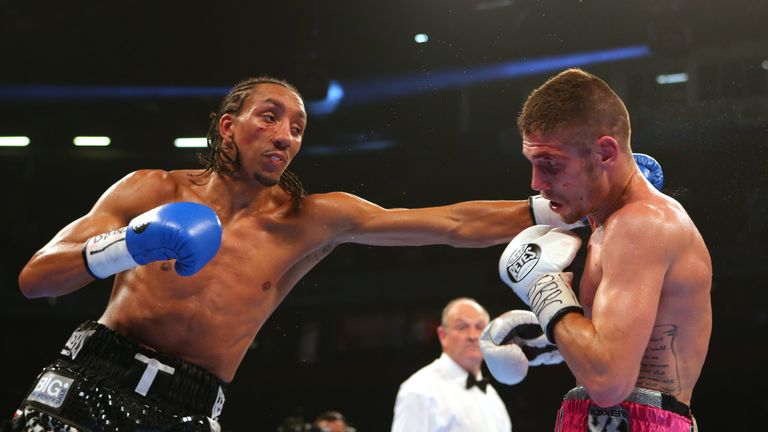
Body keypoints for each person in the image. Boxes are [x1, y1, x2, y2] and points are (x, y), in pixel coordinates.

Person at [9, 76, 571, 432]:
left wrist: (561, 205)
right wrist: (123, 247)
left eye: (298, 127)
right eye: (270, 116)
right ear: (229, 127)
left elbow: (448, 223)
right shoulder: (149, 190)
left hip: (188, 406)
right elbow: (36, 278)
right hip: (89, 379)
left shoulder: (310, 221)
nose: (285, 134)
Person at [489, 68, 711, 431]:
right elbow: (622, 346)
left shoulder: (641, 223)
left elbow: (610, 383)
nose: (537, 184)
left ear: (605, 153)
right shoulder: (606, 227)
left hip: (639, 420)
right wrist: (555, 332)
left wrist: (545, 292)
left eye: (550, 165)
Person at [391, 298, 512, 432]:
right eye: (462, 327)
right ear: (443, 336)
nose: (472, 336)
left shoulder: (492, 398)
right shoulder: (419, 390)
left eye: (479, 327)